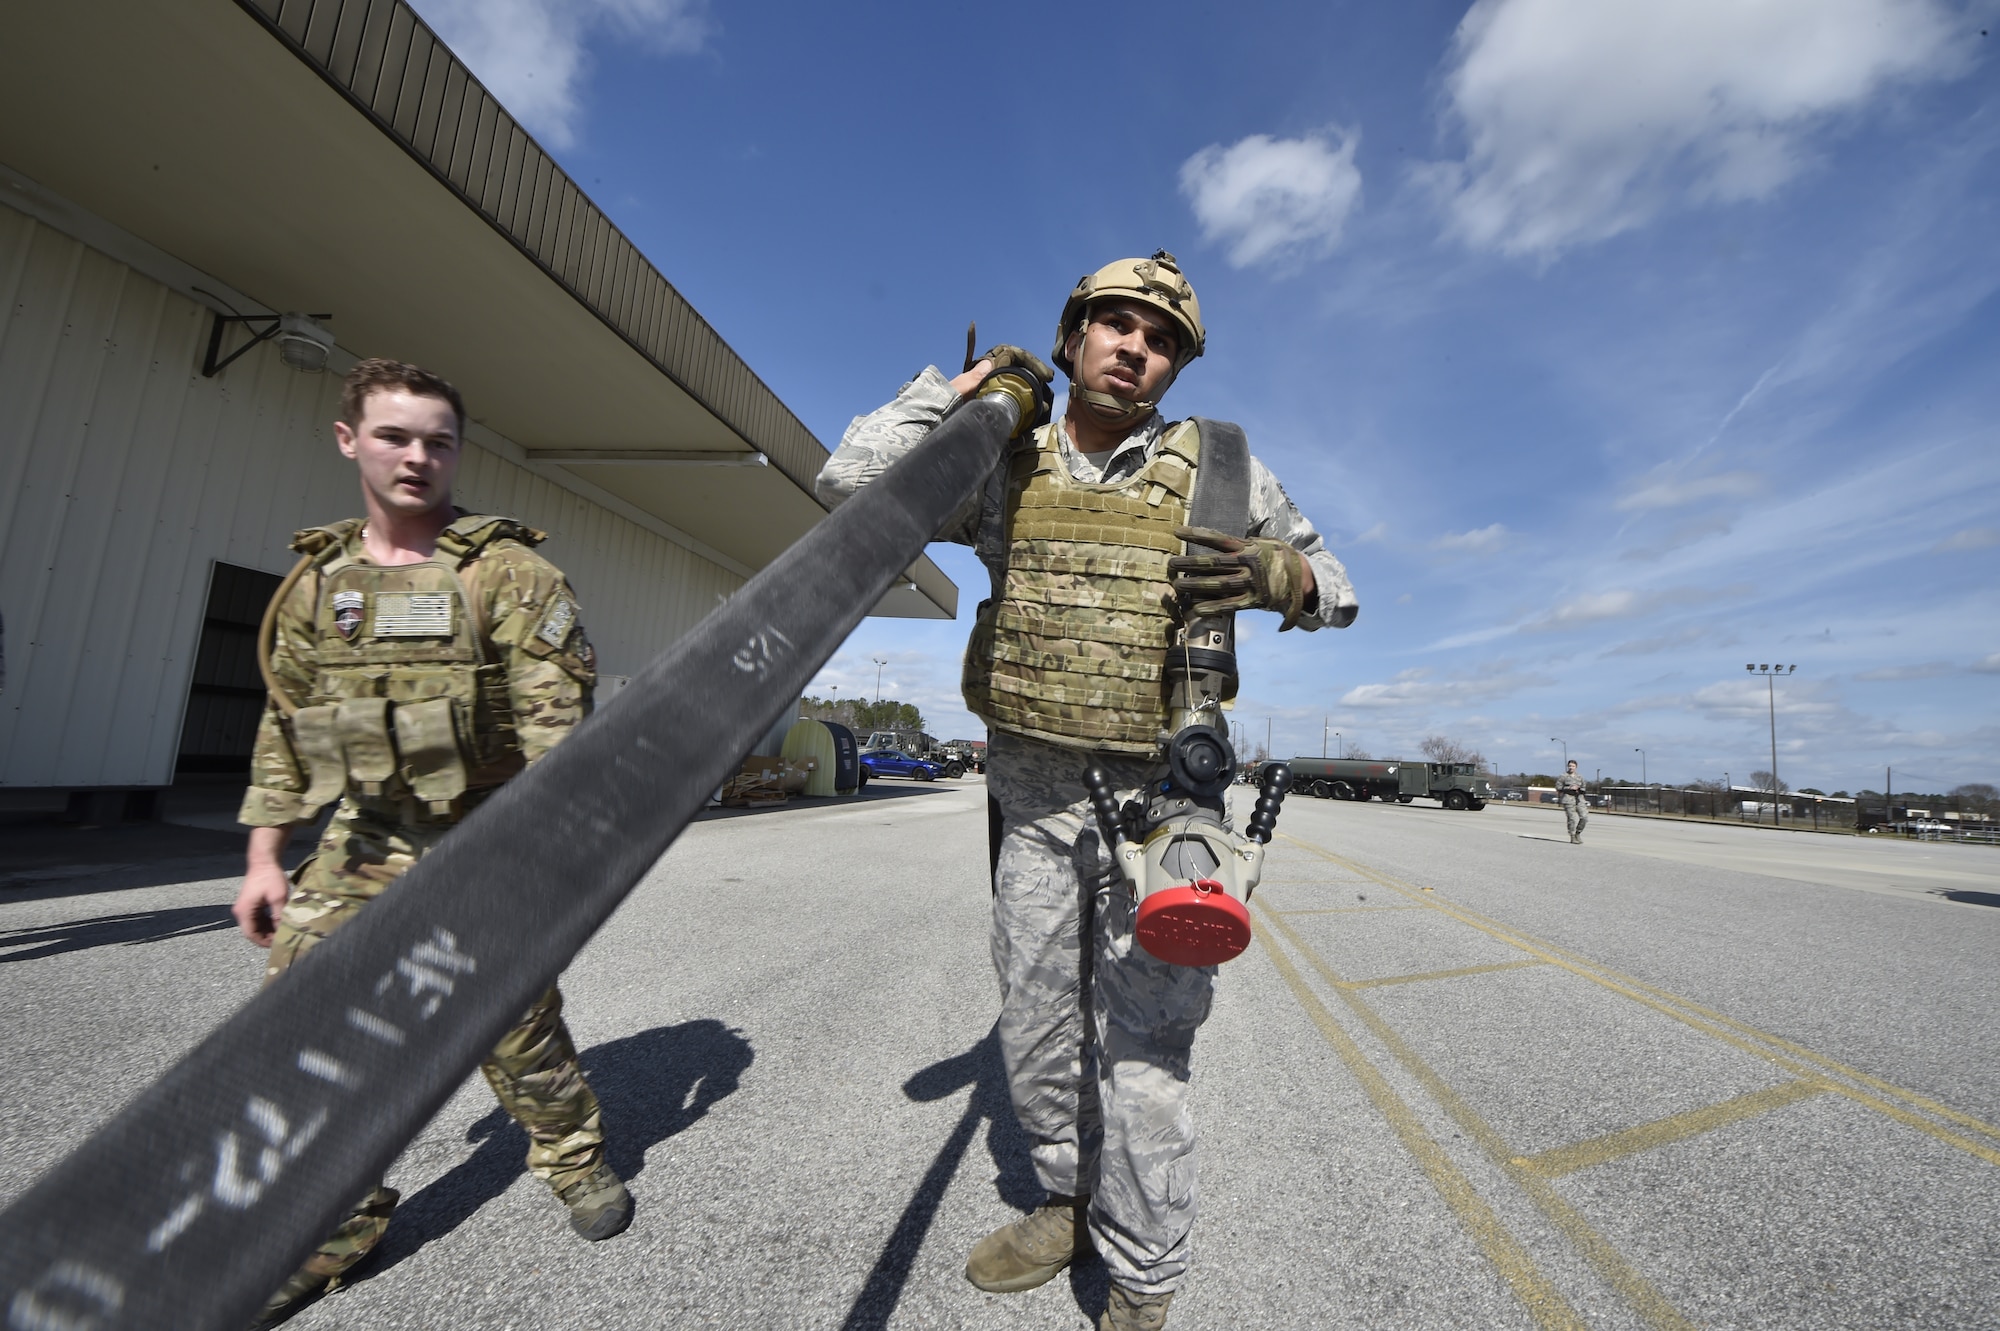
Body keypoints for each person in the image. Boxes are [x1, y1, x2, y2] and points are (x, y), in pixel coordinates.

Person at [817, 252, 1358, 1330]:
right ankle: (1065, 1198)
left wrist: (1277, 574)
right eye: (1112, 324)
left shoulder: (1223, 469)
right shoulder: (1002, 459)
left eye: (1158, 338)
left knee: (1147, 1051)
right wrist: (961, 396)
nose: (1134, 346)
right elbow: (850, 483)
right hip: (1030, 802)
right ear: (1070, 340)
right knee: (1032, 1021)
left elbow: (1336, 590)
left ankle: (1144, 1273)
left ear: (1173, 366)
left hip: (1161, 811)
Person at [230, 358, 630, 1324]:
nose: (416, 457)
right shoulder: (317, 584)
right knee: (306, 1028)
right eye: (394, 436)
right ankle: (336, 1222)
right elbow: (287, 726)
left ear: (458, 450)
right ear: (349, 440)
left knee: (510, 1023)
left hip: (491, 834)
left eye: (437, 441)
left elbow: (555, 737)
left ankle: (573, 1156)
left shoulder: (511, 574)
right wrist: (264, 852)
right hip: (362, 833)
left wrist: (545, 863)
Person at [1557, 760, 1588, 843]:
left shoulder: (1580, 777)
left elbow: (1584, 787)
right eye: (1570, 766)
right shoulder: (1563, 776)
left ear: (1576, 767)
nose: (1571, 768)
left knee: (1584, 817)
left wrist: (1579, 789)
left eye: (1573, 766)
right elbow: (1558, 787)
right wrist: (1569, 788)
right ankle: (1572, 835)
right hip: (1568, 799)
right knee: (1572, 819)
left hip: (1579, 799)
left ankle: (1578, 833)